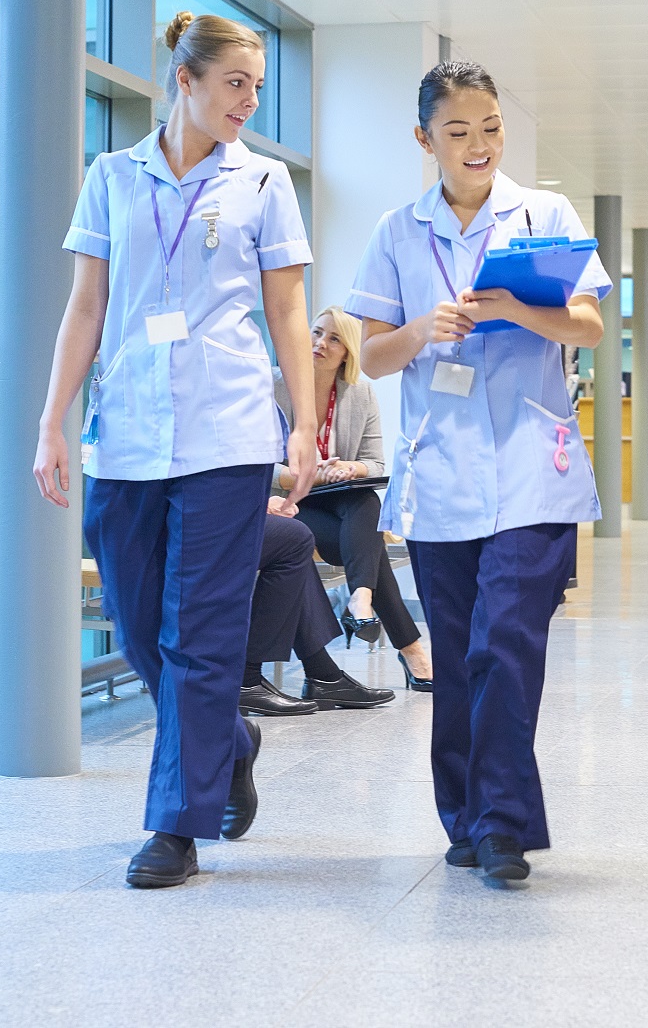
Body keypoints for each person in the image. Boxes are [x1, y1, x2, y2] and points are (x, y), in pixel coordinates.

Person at [33, 11, 319, 891]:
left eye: (259, 86)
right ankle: (229, 742)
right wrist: (52, 421)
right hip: (125, 434)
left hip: (227, 431)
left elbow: (287, 314)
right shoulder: (112, 176)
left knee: (199, 634)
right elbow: (87, 306)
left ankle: (174, 826)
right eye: (236, 83)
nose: (250, 100)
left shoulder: (263, 182)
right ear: (185, 82)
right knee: (138, 619)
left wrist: (303, 423)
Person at [349, 61, 609, 886]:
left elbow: (592, 328)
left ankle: (500, 823)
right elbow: (370, 356)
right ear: (425, 139)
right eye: (458, 132)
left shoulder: (545, 214)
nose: (479, 146)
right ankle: (464, 816)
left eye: (491, 128)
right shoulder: (398, 231)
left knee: (506, 642)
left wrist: (515, 311)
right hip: (442, 475)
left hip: (535, 468)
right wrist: (426, 329)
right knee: (460, 653)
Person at [275, 307, 434, 690]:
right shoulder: (276, 386)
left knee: (365, 503)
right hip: (287, 501)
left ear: (348, 352)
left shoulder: (359, 392)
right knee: (370, 543)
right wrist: (303, 474)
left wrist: (349, 468)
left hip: (337, 498)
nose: (320, 344)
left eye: (334, 339)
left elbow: (373, 462)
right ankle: (408, 646)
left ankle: (361, 600)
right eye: (315, 333)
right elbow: (253, 464)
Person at [242, 498, 394, 716]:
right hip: (201, 518)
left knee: (365, 504)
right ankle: (247, 678)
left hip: (231, 507)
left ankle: (324, 675)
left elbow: (373, 464)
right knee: (294, 539)